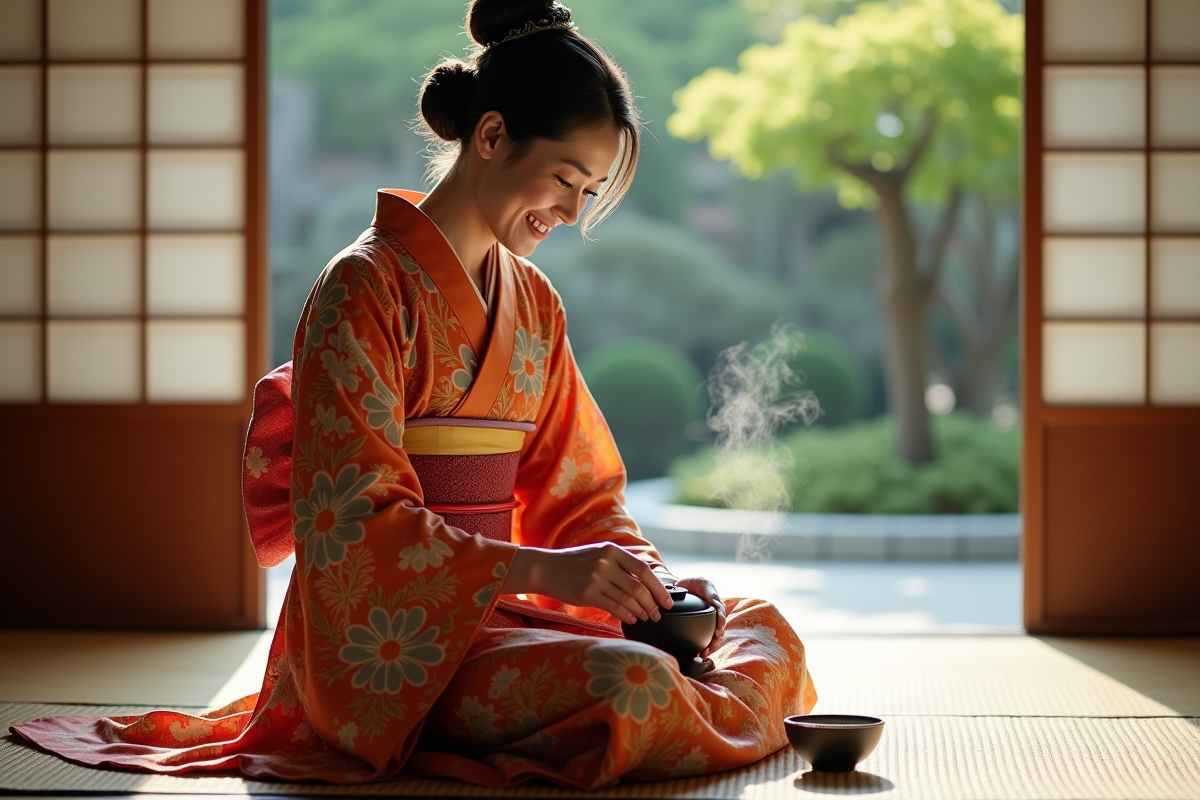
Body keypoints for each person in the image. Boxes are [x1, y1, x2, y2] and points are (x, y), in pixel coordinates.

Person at [12, 0, 816, 786]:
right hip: (390, 644)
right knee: (632, 685)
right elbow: (355, 522)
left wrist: (642, 584)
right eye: (566, 180)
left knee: (761, 630)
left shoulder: (534, 304)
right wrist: (550, 575)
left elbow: (582, 493)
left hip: (514, 615)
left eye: (590, 191)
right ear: (493, 136)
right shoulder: (359, 289)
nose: (573, 213)